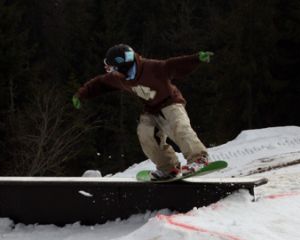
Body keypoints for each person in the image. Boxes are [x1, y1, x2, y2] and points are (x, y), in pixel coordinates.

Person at [72, 44, 214, 181]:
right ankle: (168, 167)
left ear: (122, 66)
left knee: (178, 127)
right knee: (145, 134)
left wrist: (196, 59)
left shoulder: (151, 68)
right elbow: (100, 83)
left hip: (170, 102)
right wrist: (80, 95)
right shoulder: (118, 77)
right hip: (151, 109)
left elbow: (173, 65)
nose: (111, 71)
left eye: (113, 67)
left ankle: (199, 159)